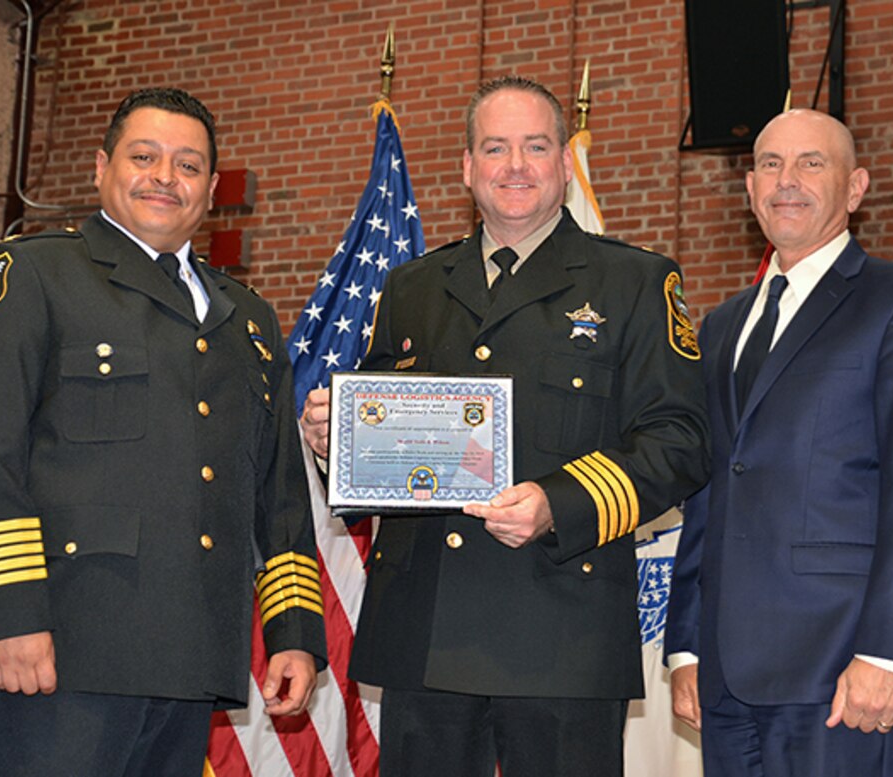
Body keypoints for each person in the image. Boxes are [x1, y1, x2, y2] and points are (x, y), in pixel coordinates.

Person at [301, 75, 710, 776]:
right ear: (467, 167)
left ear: (561, 161)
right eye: (495, 148)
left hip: (562, 635)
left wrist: (560, 500)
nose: (515, 166)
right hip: (424, 632)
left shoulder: (635, 283)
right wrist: (331, 442)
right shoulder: (413, 287)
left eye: (535, 146)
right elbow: (383, 458)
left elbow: (681, 440)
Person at [0, 87, 327, 777]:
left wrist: (293, 630)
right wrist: (6, 614)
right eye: (144, 156)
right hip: (59, 650)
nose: (164, 178)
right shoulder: (32, 272)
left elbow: (279, 493)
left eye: (188, 165)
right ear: (100, 167)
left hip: (190, 659)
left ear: (209, 187)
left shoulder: (250, 320)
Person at [665, 108, 893, 776]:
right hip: (724, 673)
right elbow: (709, 488)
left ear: (855, 187)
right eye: (770, 164)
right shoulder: (721, 326)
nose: (787, 181)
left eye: (812, 163)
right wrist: (686, 646)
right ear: (750, 191)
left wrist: (890, 654)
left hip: (841, 667)